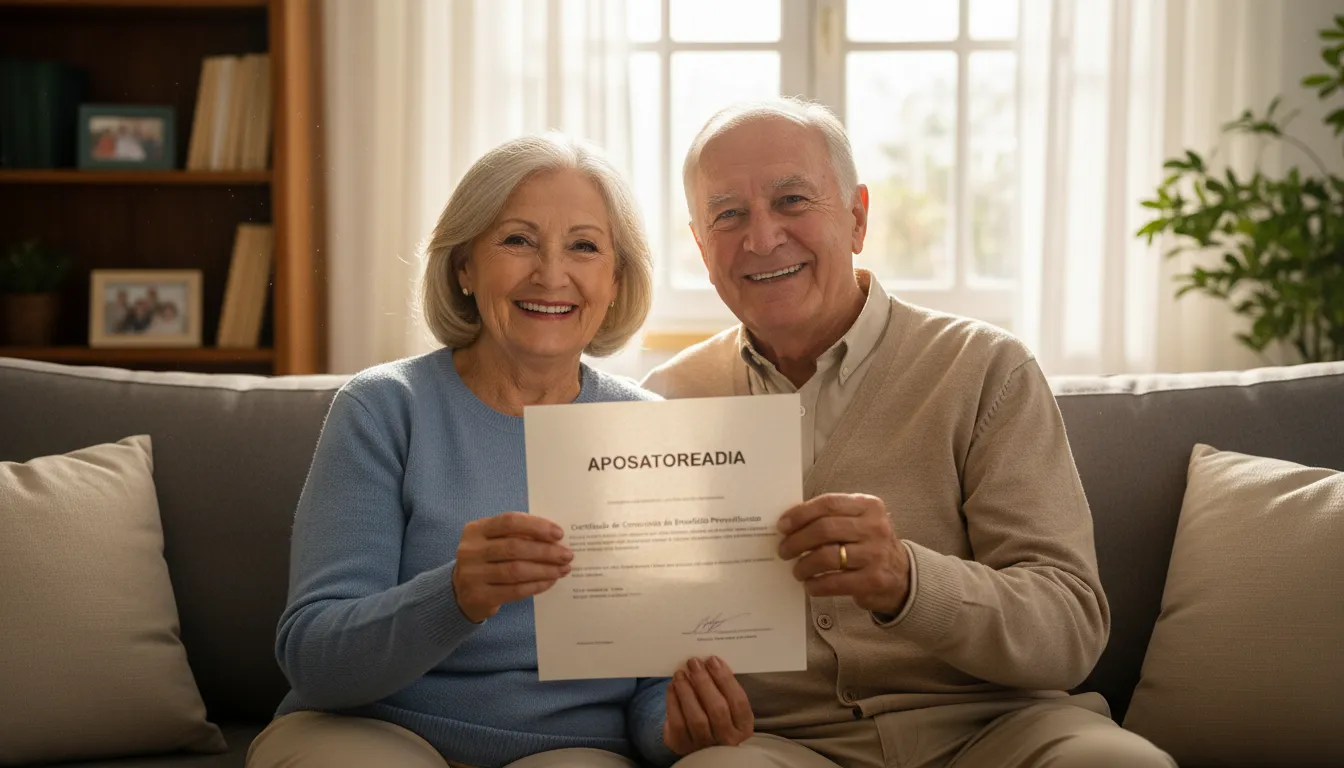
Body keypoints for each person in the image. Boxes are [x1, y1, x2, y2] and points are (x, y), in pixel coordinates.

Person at [640, 98, 1176, 768]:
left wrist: (907, 580)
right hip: (778, 746)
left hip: (1000, 730)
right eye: (728, 214)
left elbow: (1069, 628)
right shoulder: (662, 403)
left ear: (858, 217)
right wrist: (672, 713)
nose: (762, 237)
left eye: (792, 201)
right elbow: (636, 647)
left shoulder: (987, 369)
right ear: (700, 246)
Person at [247, 134, 753, 768]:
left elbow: (653, 693)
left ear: (615, 279)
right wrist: (456, 595)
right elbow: (315, 659)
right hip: (374, 730)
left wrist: (681, 729)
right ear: (464, 265)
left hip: (570, 748)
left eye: (584, 247)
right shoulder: (384, 408)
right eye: (518, 240)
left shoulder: (649, 432)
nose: (551, 273)